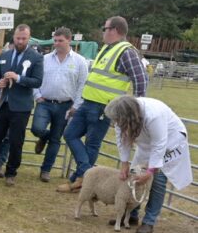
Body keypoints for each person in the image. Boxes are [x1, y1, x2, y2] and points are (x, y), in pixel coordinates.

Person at [58, 16, 148, 193]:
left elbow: (141, 80)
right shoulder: (107, 49)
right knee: (70, 134)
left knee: (92, 143)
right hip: (89, 102)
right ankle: (85, 175)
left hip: (104, 107)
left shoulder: (126, 51)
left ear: (114, 30)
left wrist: (136, 108)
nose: (103, 31)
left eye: (104, 28)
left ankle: (82, 179)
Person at [104, 95, 192, 233]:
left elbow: (159, 144)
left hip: (170, 141)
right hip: (147, 144)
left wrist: (151, 171)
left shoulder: (153, 115)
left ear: (128, 116)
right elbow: (123, 140)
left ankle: (149, 221)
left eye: (118, 121)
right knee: (134, 176)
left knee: (157, 180)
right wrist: (124, 163)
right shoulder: (121, 118)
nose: (116, 124)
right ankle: (131, 215)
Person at [0, 24, 43, 186]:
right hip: (2, 103)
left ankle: (11, 173)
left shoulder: (36, 58)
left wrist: (18, 78)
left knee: (16, 141)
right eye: (18, 38)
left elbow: (38, 81)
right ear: (14, 37)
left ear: (29, 38)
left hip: (21, 107)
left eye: (24, 38)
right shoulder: (4, 55)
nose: (20, 41)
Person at [30, 27, 88, 182]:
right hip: (45, 102)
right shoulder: (45, 59)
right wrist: (37, 95)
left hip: (65, 105)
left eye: (60, 40)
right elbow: (35, 78)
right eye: (55, 40)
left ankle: (46, 170)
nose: (56, 43)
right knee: (37, 128)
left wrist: (76, 105)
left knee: (56, 139)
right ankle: (43, 136)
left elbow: (83, 85)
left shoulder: (80, 61)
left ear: (69, 40)